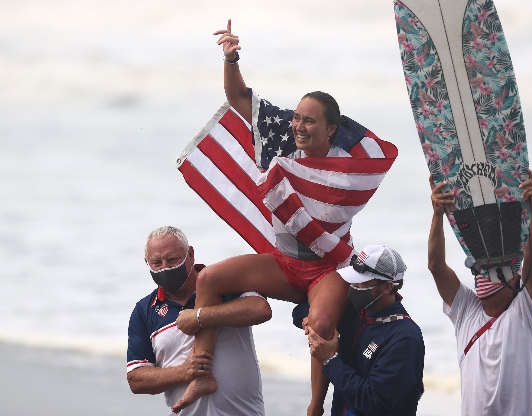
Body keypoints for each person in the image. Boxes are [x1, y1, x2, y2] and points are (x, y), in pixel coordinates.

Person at [170, 20, 398, 416]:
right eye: (297, 118)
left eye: (309, 121)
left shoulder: (347, 168)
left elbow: (377, 165)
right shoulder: (282, 142)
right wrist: (230, 56)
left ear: (331, 128)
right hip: (284, 263)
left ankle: (313, 407)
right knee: (208, 278)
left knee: (319, 326)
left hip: (327, 268)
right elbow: (239, 95)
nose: (298, 126)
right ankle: (201, 372)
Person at [428, 170, 532, 415]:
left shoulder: (526, 312)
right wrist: (437, 214)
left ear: (514, 277)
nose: (482, 275)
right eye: (479, 270)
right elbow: (436, 266)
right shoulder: (466, 312)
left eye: (491, 269)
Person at [126, 226, 272, 415]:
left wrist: (199, 317)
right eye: (156, 263)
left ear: (191, 254)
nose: (165, 268)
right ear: (147, 263)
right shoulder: (144, 311)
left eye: (172, 260)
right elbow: (136, 379)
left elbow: (260, 309)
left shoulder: (223, 283)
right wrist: (184, 371)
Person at [294, 245, 425, 416]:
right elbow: (301, 310)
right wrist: (313, 321)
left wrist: (330, 360)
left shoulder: (405, 339)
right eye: (352, 279)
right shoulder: (356, 311)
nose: (354, 286)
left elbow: (373, 403)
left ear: (387, 287)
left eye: (362, 282)